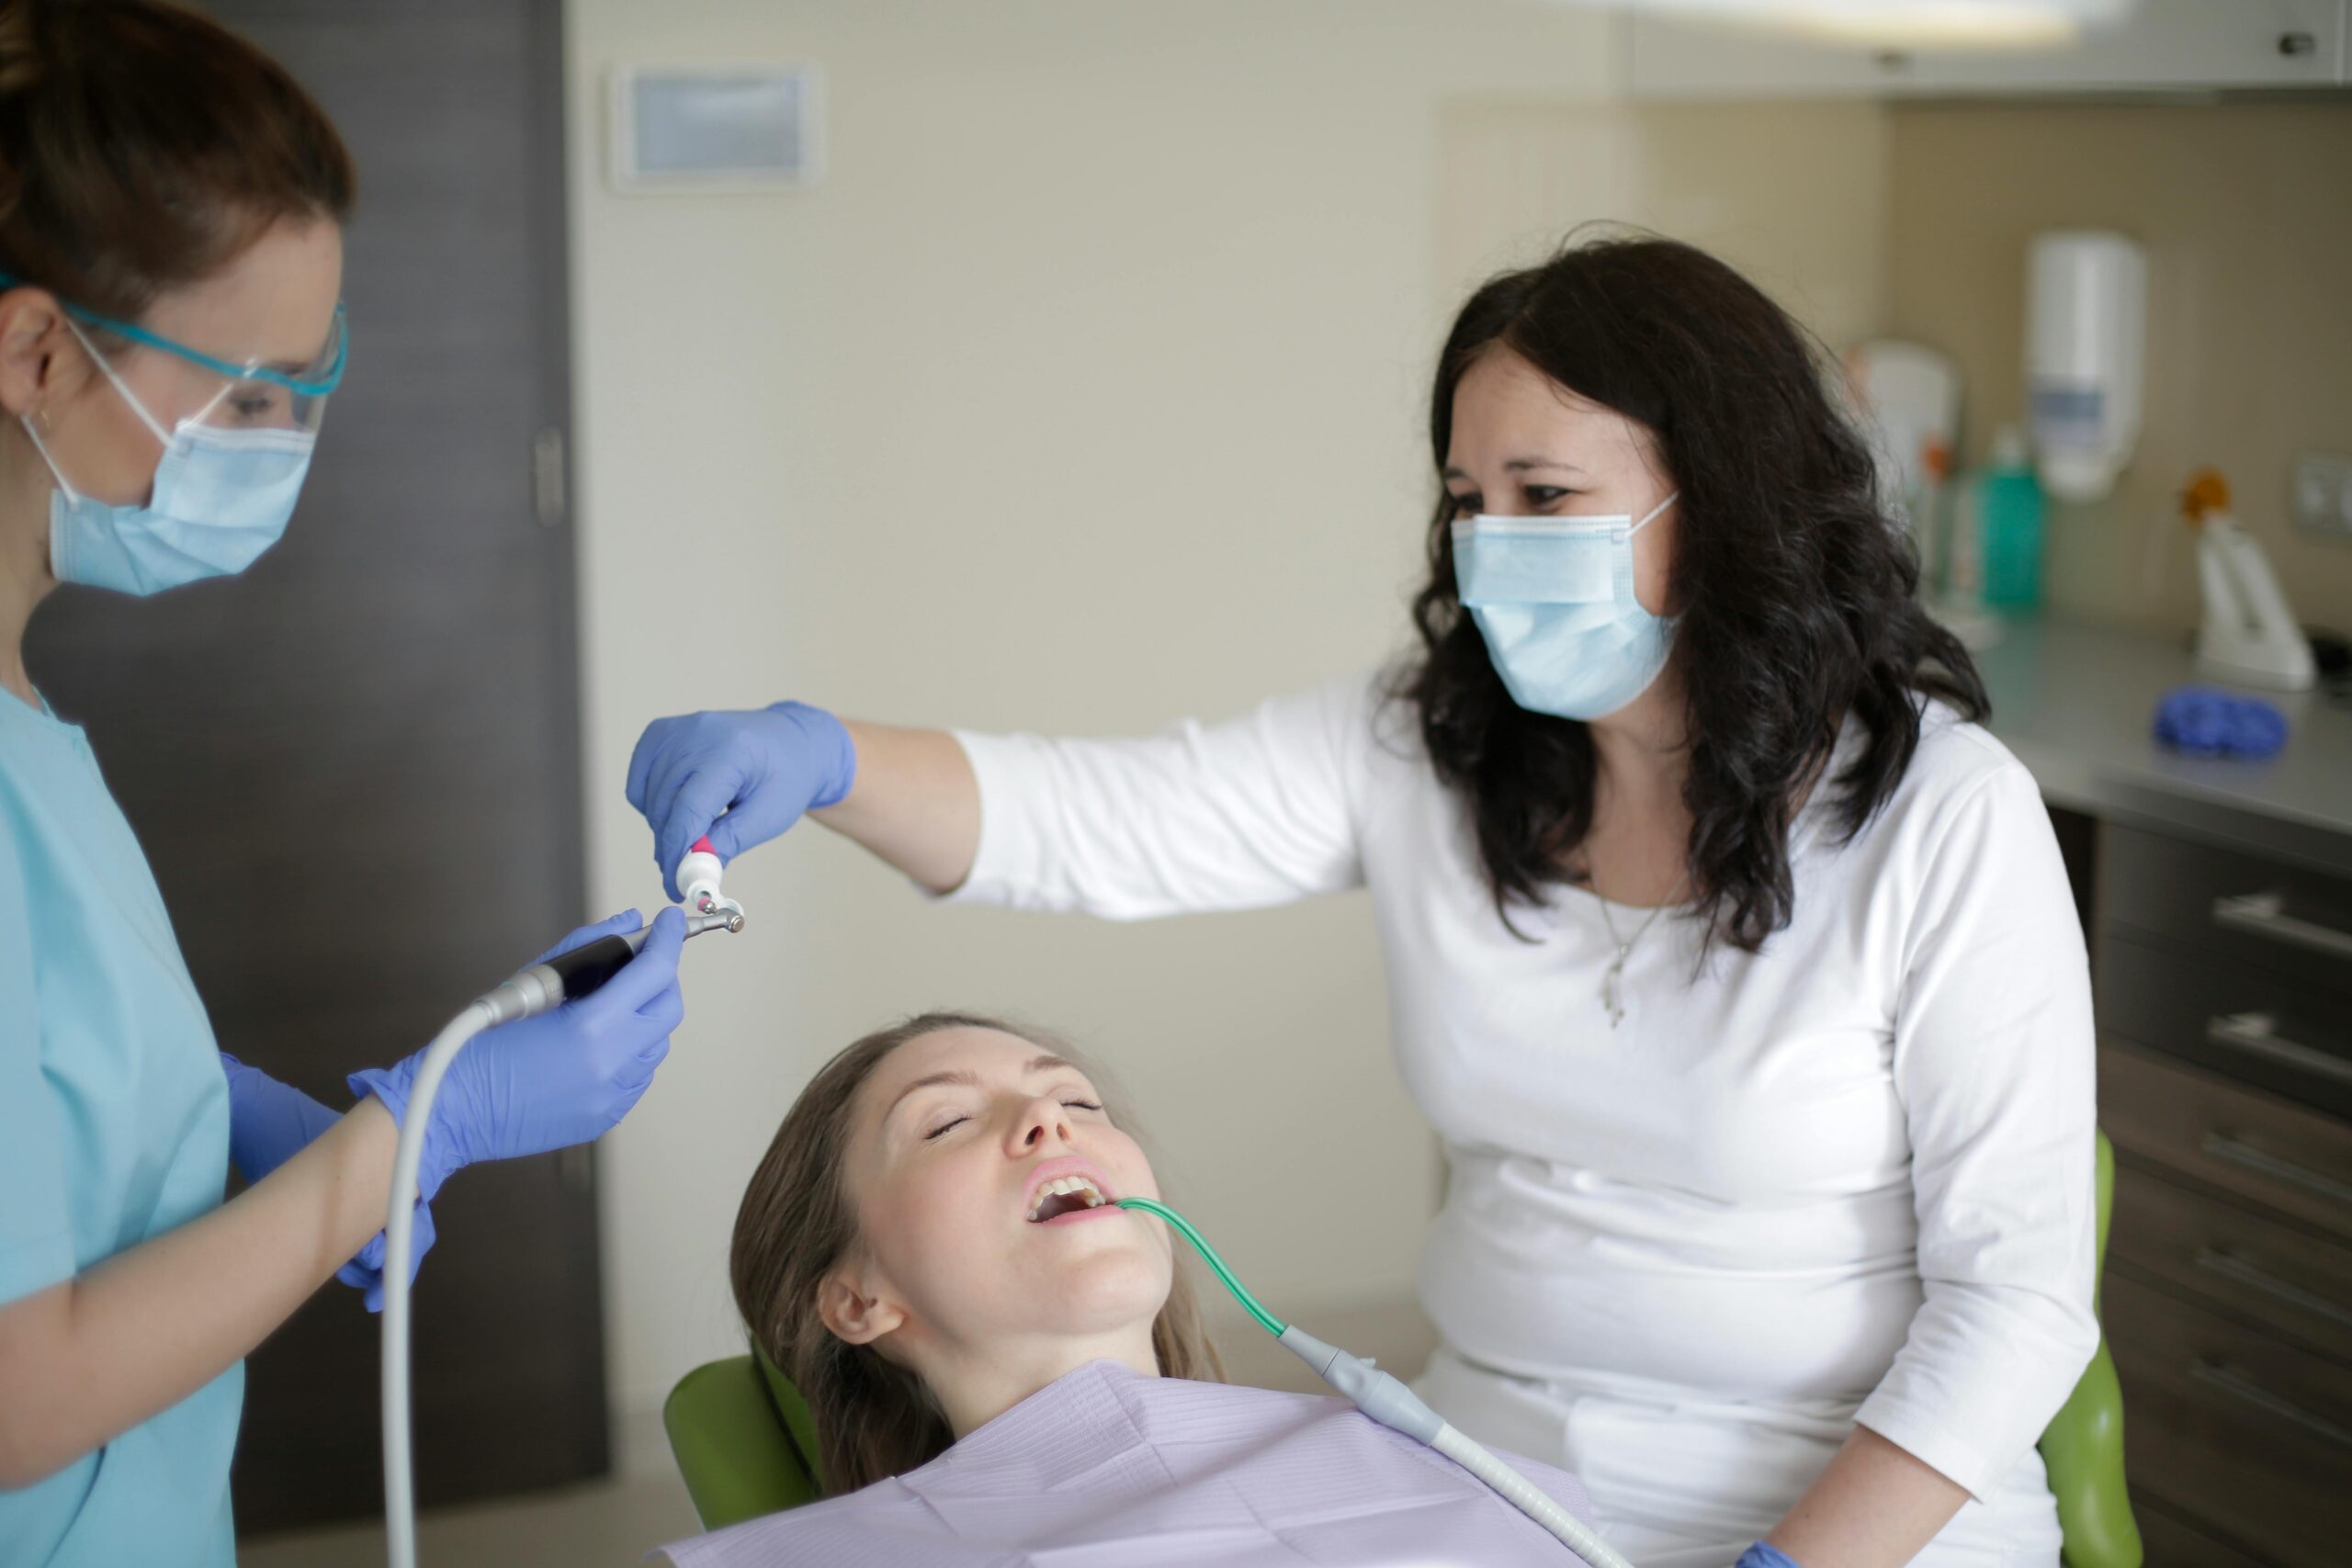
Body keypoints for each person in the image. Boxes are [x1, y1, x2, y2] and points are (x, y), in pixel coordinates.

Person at [631, 231, 2100, 1568]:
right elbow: (1093, 818)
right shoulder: (1427, 750)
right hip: (1484, 1486)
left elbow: (2018, 1303)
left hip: (1873, 1517)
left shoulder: (1942, 817)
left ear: (1715, 503)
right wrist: (819, 755)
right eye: (1470, 498)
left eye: (1547, 495)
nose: (1492, 542)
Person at [0, 5, 684, 1563]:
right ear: (36, 349)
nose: (281, 442)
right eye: (247, 392)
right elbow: (20, 1401)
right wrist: (412, 1140)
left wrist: (225, 1117)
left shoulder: (25, 714)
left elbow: (51, 1062)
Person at [669, 1012, 1598, 1567]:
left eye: (1078, 1103)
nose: (1045, 1118)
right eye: (946, 1122)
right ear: (857, 1299)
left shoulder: (1416, 1459)